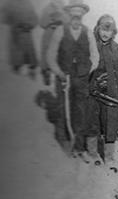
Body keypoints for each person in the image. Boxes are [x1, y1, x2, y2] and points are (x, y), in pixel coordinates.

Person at [46, 1, 100, 162]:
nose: (76, 20)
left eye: (79, 17)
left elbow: (95, 56)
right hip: (64, 78)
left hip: (81, 79)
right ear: (69, 16)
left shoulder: (88, 32)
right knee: (64, 111)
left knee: (80, 112)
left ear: (83, 16)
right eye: (73, 17)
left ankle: (79, 148)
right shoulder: (60, 31)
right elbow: (50, 56)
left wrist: (87, 71)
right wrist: (59, 73)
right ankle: (65, 147)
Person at [90, 15, 118, 170]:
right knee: (92, 123)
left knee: (110, 125)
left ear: (113, 33)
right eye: (103, 29)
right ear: (98, 30)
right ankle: (93, 154)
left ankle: (109, 157)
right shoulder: (91, 46)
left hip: (111, 94)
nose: (105, 33)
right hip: (92, 92)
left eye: (109, 31)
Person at [0, 0, 39, 78]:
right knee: (16, 56)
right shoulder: (9, 3)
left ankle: (31, 69)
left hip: (26, 32)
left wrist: (29, 25)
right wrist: (15, 24)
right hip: (16, 34)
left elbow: (35, 18)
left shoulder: (28, 3)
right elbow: (4, 19)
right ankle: (18, 69)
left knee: (29, 54)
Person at [38, 0, 66, 86]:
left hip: (60, 33)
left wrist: (61, 21)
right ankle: (46, 74)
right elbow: (42, 23)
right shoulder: (47, 8)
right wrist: (51, 21)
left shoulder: (64, 8)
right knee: (47, 53)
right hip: (49, 33)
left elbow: (68, 21)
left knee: (60, 53)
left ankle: (60, 77)